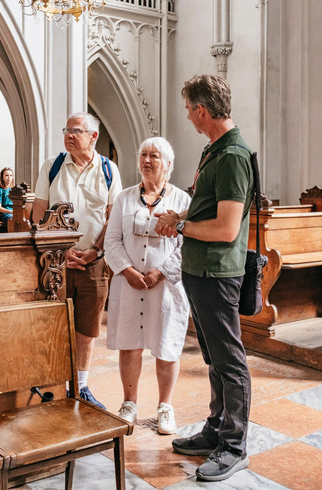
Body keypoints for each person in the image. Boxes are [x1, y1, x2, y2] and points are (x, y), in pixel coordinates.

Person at [154, 75, 254, 482]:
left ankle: (234, 445)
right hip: (201, 270)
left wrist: (180, 227)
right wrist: (182, 218)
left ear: (201, 110)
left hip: (218, 272)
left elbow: (227, 229)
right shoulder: (215, 150)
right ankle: (216, 429)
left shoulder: (232, 155)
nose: (188, 116)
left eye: (188, 109)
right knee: (214, 357)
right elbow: (206, 212)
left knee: (229, 360)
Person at [32, 112, 122, 410]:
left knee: (87, 326)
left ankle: (81, 386)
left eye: (76, 130)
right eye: (67, 130)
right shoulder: (52, 166)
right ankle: (52, 384)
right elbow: (38, 213)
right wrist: (61, 248)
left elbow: (113, 219)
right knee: (53, 323)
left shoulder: (109, 170)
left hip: (94, 262)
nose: (69, 135)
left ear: (93, 136)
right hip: (55, 262)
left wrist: (96, 251)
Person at [104, 137, 191, 434]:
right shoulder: (125, 198)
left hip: (165, 286)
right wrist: (127, 271)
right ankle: (129, 403)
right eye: (143, 154)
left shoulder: (181, 201)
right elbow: (111, 240)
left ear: (168, 164)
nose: (146, 160)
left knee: (166, 345)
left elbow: (186, 245)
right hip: (129, 285)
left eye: (154, 155)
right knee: (129, 344)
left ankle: (165, 407)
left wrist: (159, 273)